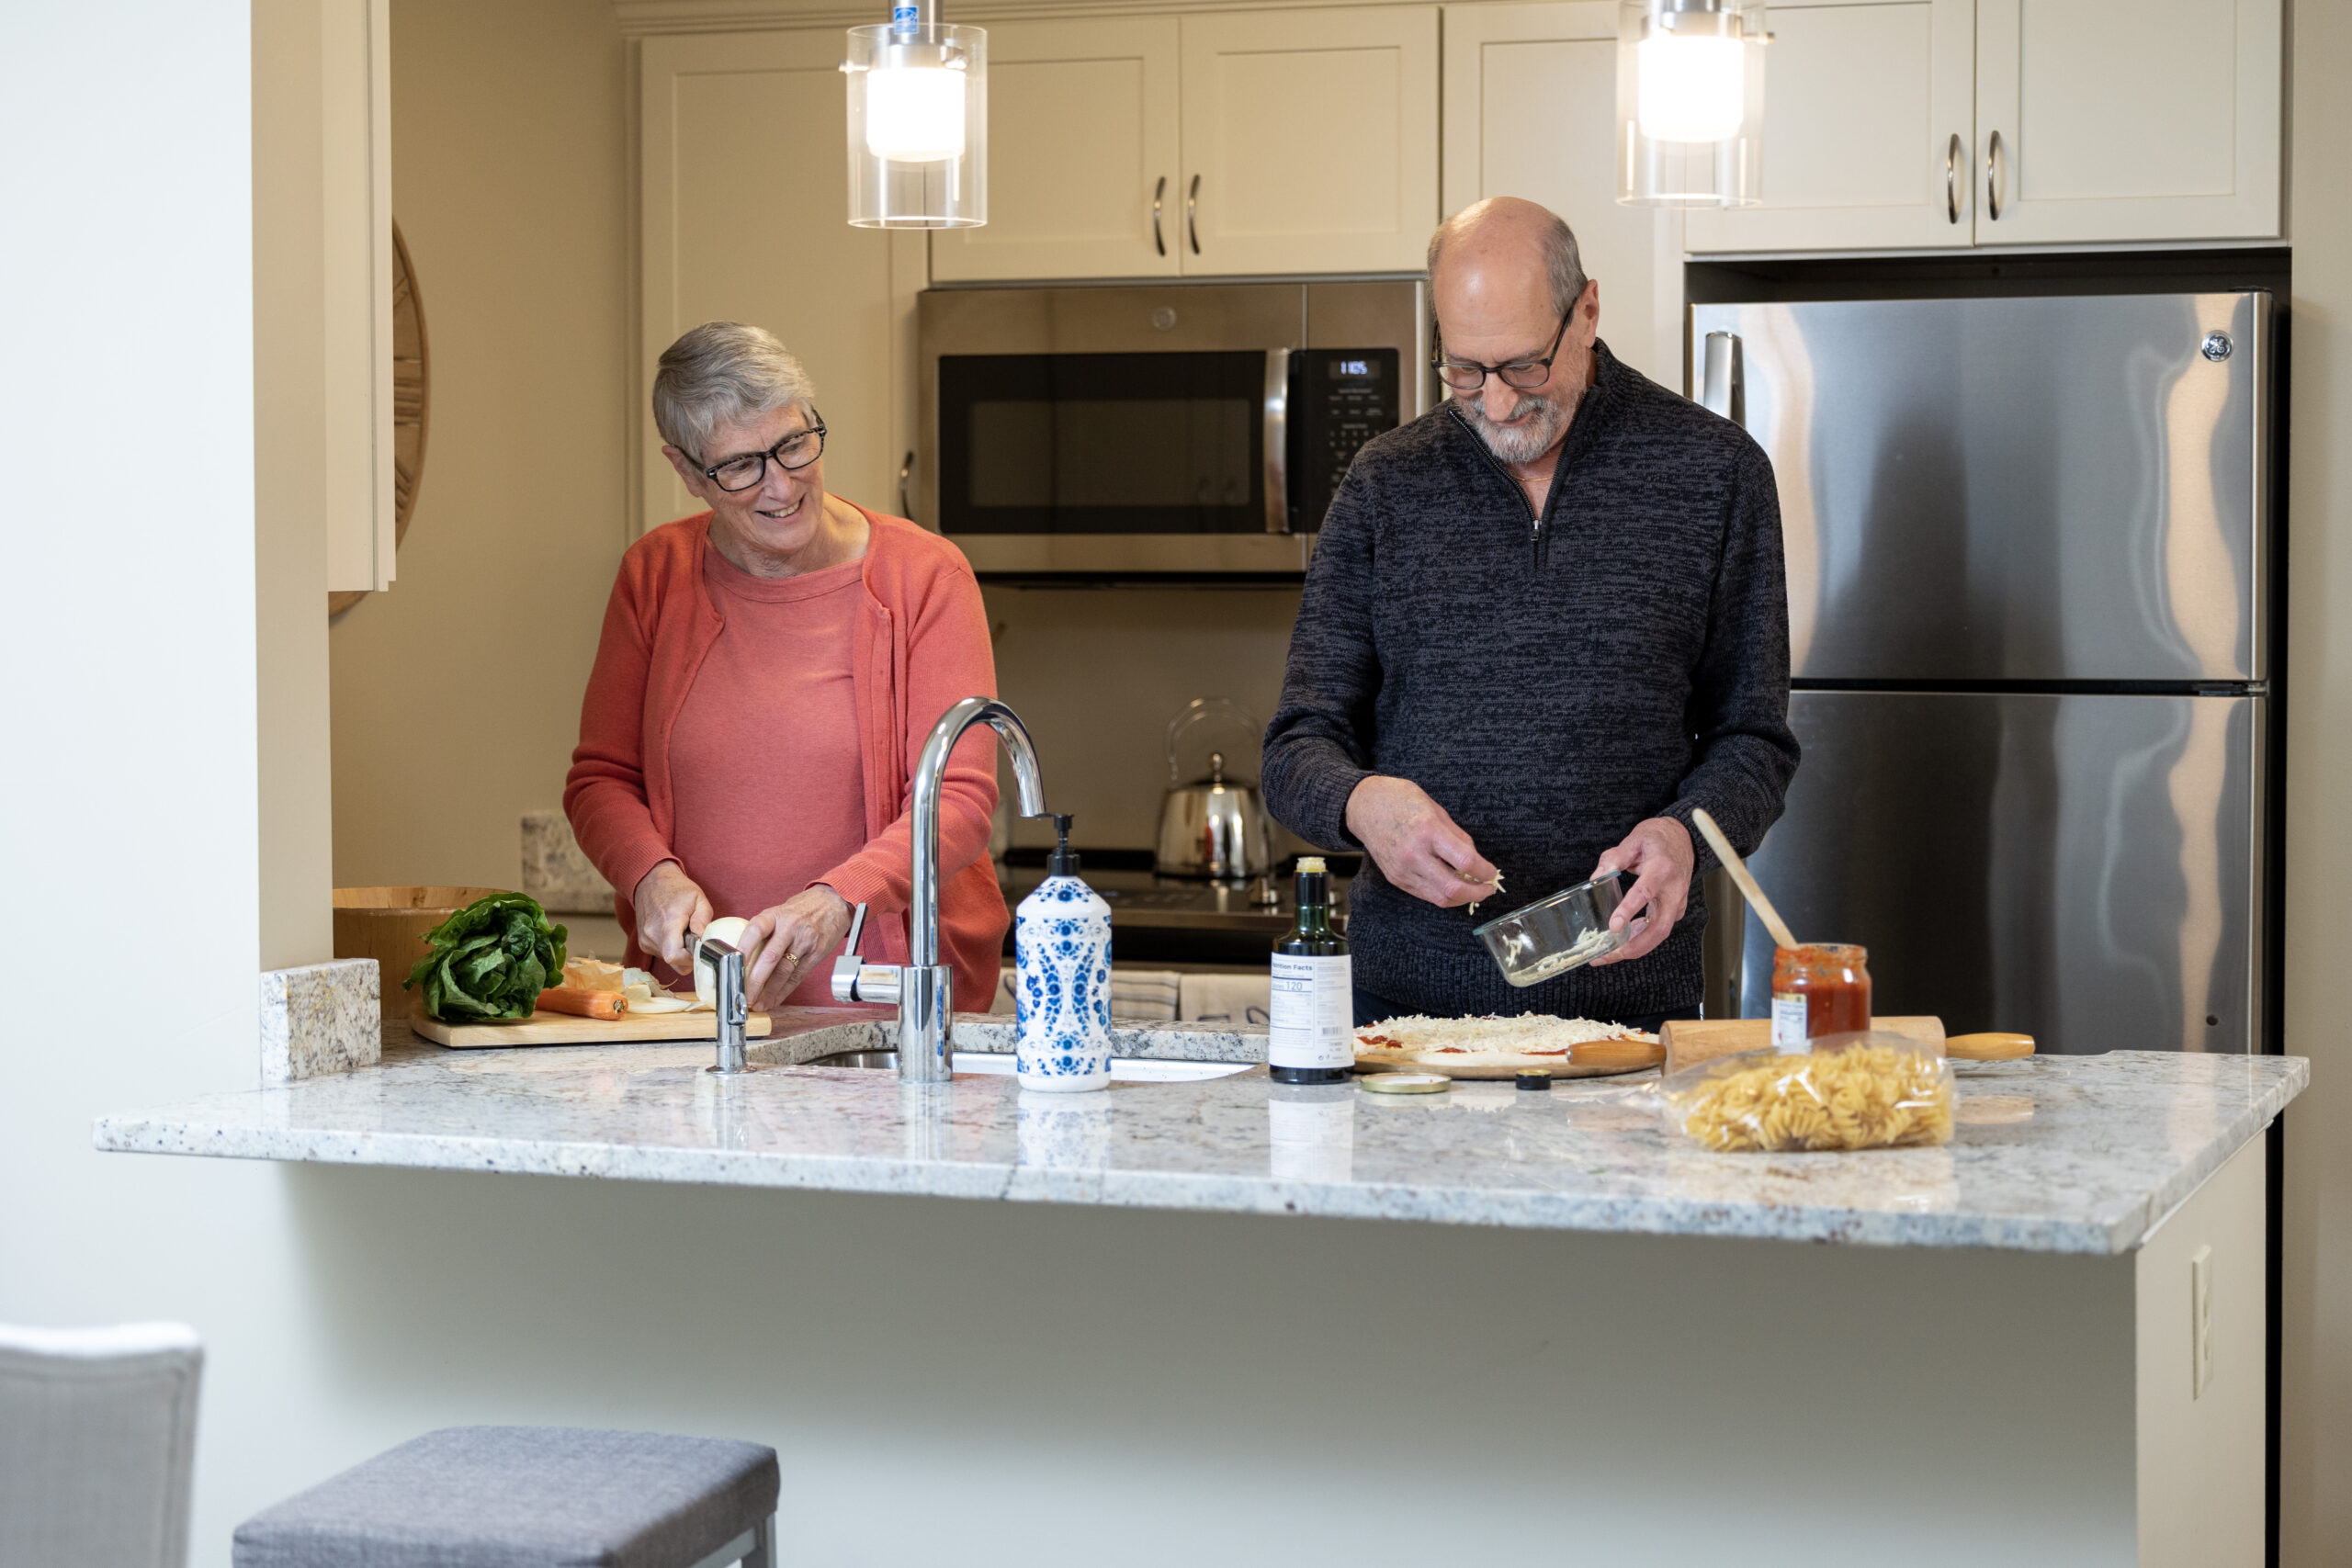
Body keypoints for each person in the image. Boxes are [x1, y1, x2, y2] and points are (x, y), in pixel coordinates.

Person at [1261, 197, 1799, 1030]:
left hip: (1628, 1012)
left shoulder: (1715, 472)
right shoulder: (1384, 484)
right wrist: (1362, 803)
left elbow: (1754, 740)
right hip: (1403, 1015)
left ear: (1586, 311)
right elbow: (1297, 747)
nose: (1498, 404)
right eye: (1464, 371)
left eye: (1523, 368)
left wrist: (1686, 836)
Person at [565, 321, 1004, 1012]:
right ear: (687, 471)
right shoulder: (654, 575)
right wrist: (650, 876)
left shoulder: (924, 576)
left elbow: (959, 800)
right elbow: (602, 779)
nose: (782, 484)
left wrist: (837, 901)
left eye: (794, 444)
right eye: (742, 465)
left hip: (890, 1005)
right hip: (695, 1007)